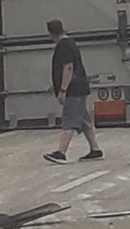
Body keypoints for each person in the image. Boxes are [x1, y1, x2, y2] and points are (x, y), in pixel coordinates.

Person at [43, 19, 104, 164]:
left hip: (73, 89)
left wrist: (63, 90)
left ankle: (61, 153)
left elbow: (68, 68)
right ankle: (95, 150)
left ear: (51, 34)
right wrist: (56, 85)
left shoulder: (63, 46)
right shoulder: (70, 44)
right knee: (84, 121)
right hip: (80, 86)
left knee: (69, 121)